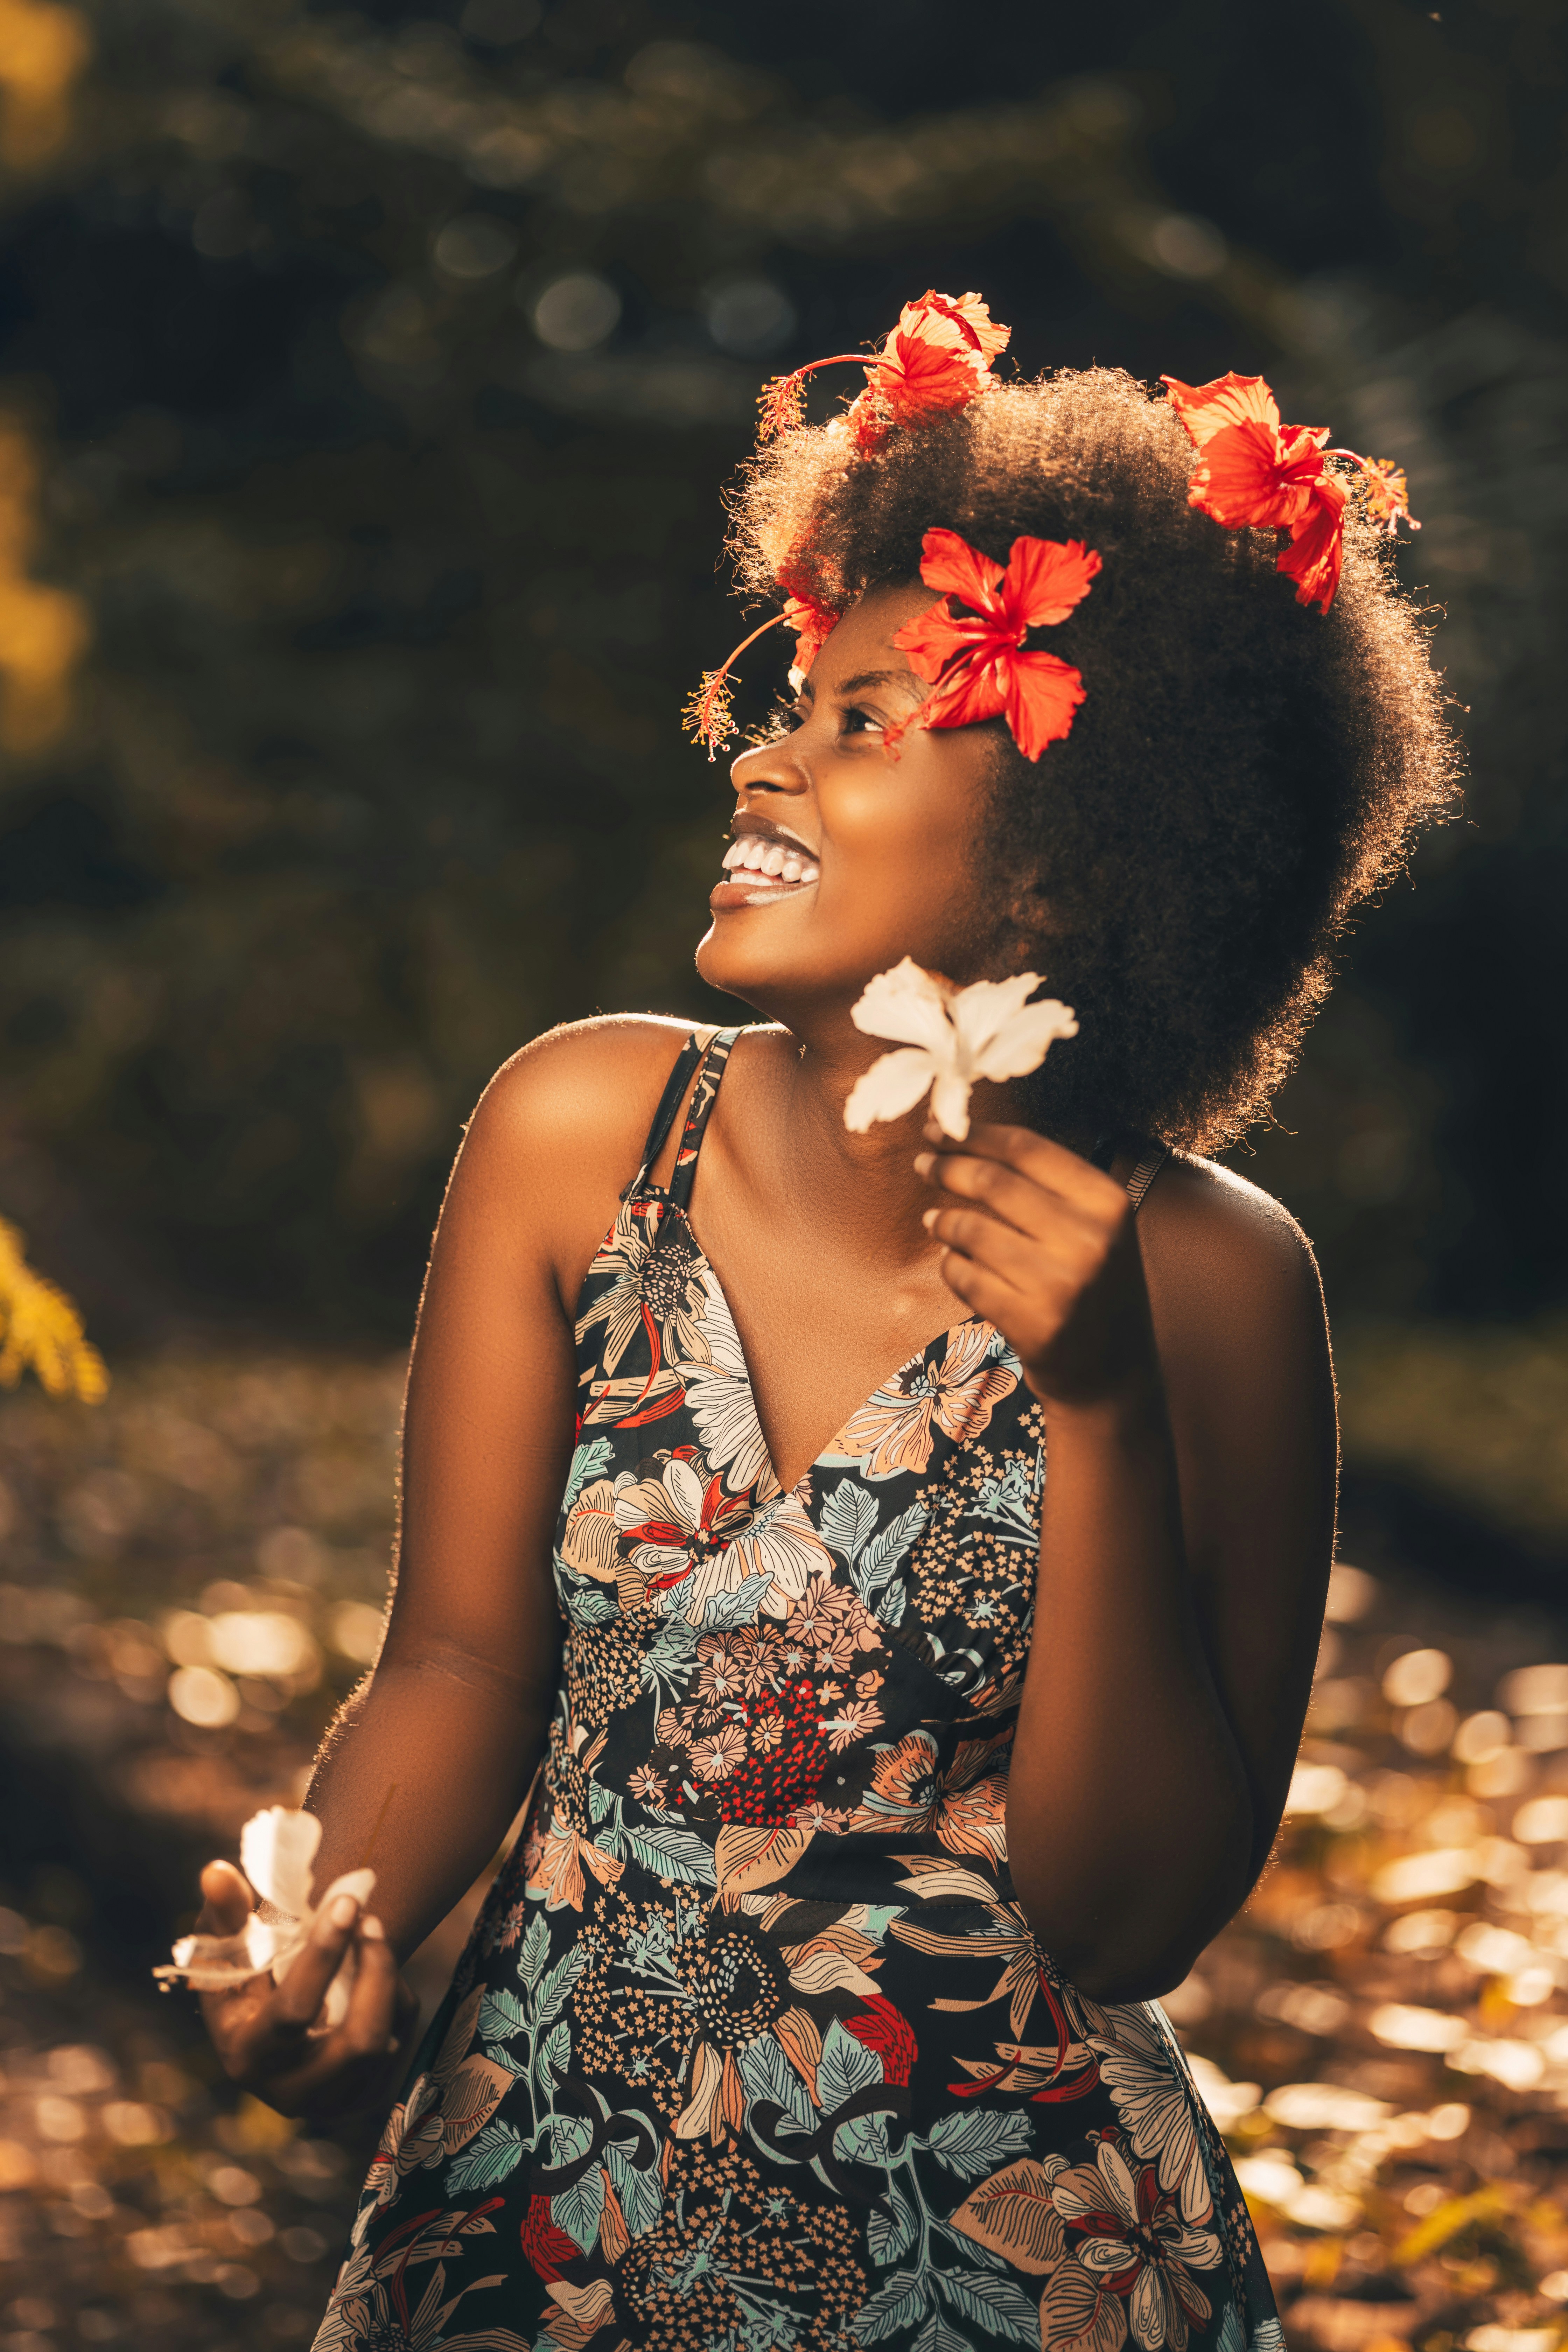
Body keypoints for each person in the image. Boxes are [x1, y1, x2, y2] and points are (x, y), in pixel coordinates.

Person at [191, 296, 1456, 2352]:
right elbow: (458, 1663)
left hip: (1014, 2262)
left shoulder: (1220, 1290)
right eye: (793, 697)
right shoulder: (577, 1136)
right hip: (547, 2204)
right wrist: (318, 1929)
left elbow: (1125, 1911)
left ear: (1072, 870)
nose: (766, 751)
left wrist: (1103, 1403)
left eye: (869, 719)